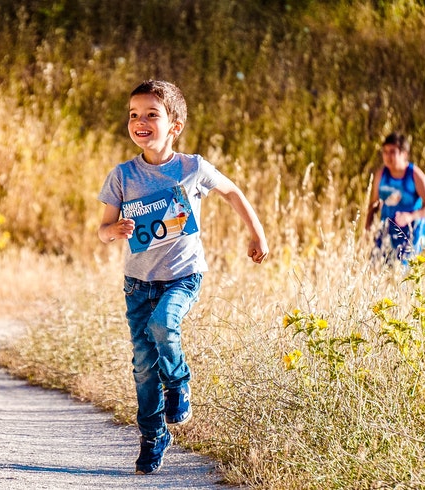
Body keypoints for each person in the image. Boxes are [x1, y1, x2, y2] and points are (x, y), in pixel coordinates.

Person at [97, 80, 269, 475]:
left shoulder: (192, 167)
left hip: (183, 276)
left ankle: (178, 383)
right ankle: (153, 435)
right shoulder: (122, 176)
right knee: (142, 364)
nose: (140, 121)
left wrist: (256, 232)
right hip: (138, 283)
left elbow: (232, 192)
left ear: (174, 125)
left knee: (164, 324)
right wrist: (115, 231)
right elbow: (103, 229)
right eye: (134, 115)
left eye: (151, 115)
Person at [365, 132, 425, 265]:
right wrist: (367, 228)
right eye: (385, 151)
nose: (388, 156)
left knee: (402, 276)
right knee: (376, 268)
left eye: (392, 151)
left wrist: (410, 216)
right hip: (386, 230)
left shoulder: (414, 175)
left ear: (404, 154)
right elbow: (374, 204)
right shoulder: (381, 175)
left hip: (410, 234)